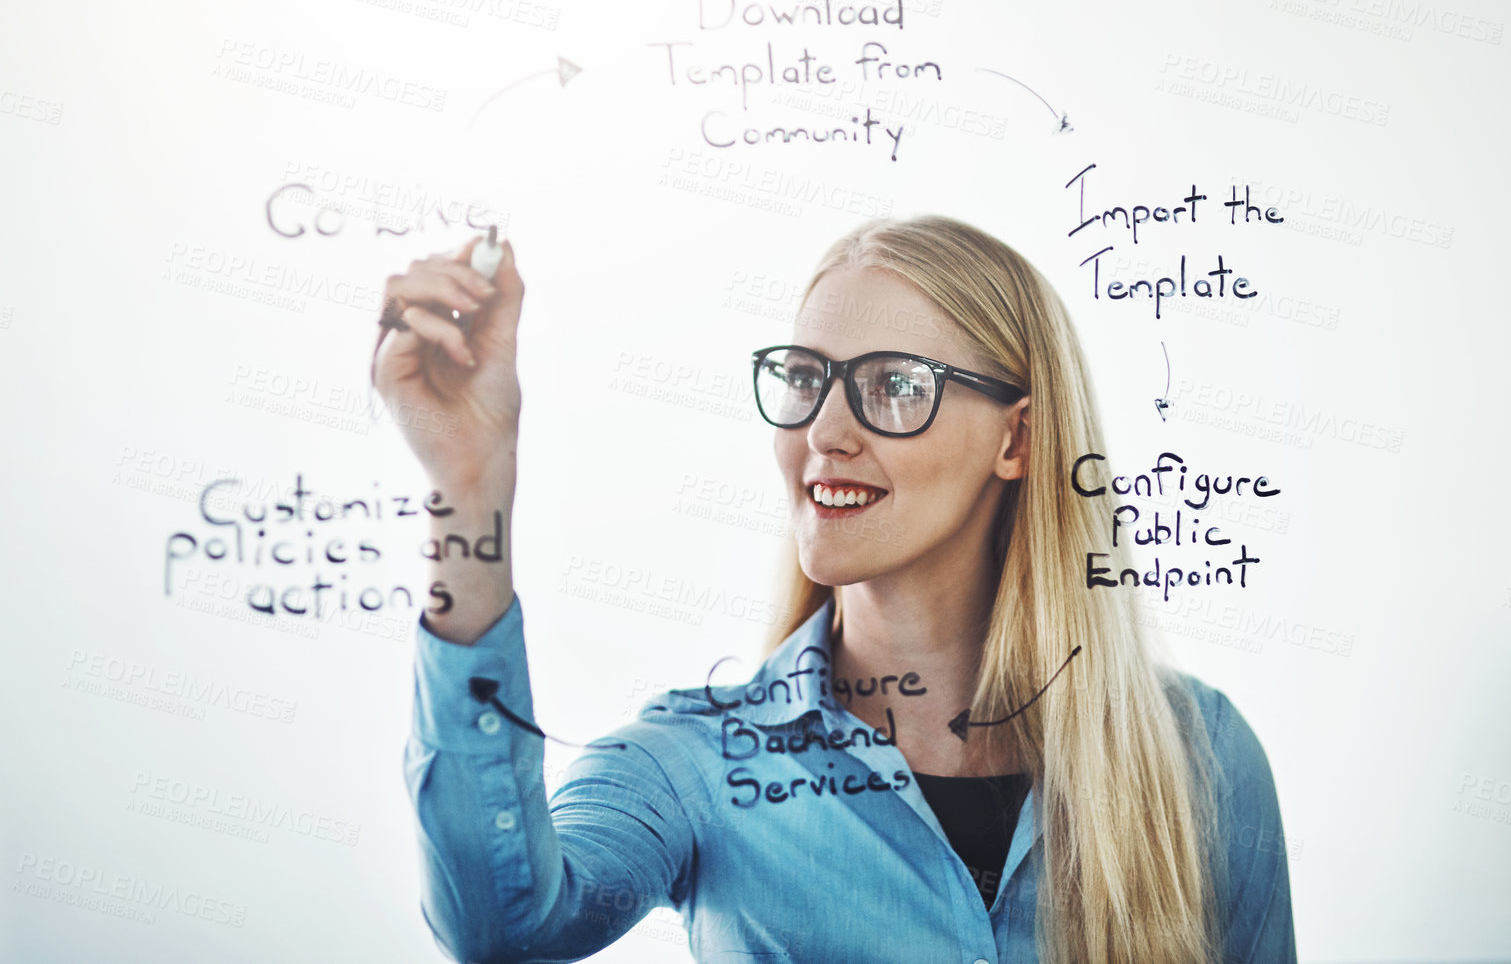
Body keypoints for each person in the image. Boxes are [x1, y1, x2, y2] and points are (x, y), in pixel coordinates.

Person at [375, 215, 1296, 964]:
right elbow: (500, 928)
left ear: (1017, 440)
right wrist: (467, 487)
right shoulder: (698, 762)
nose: (826, 429)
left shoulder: (1196, 757)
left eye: (896, 385)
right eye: (806, 379)